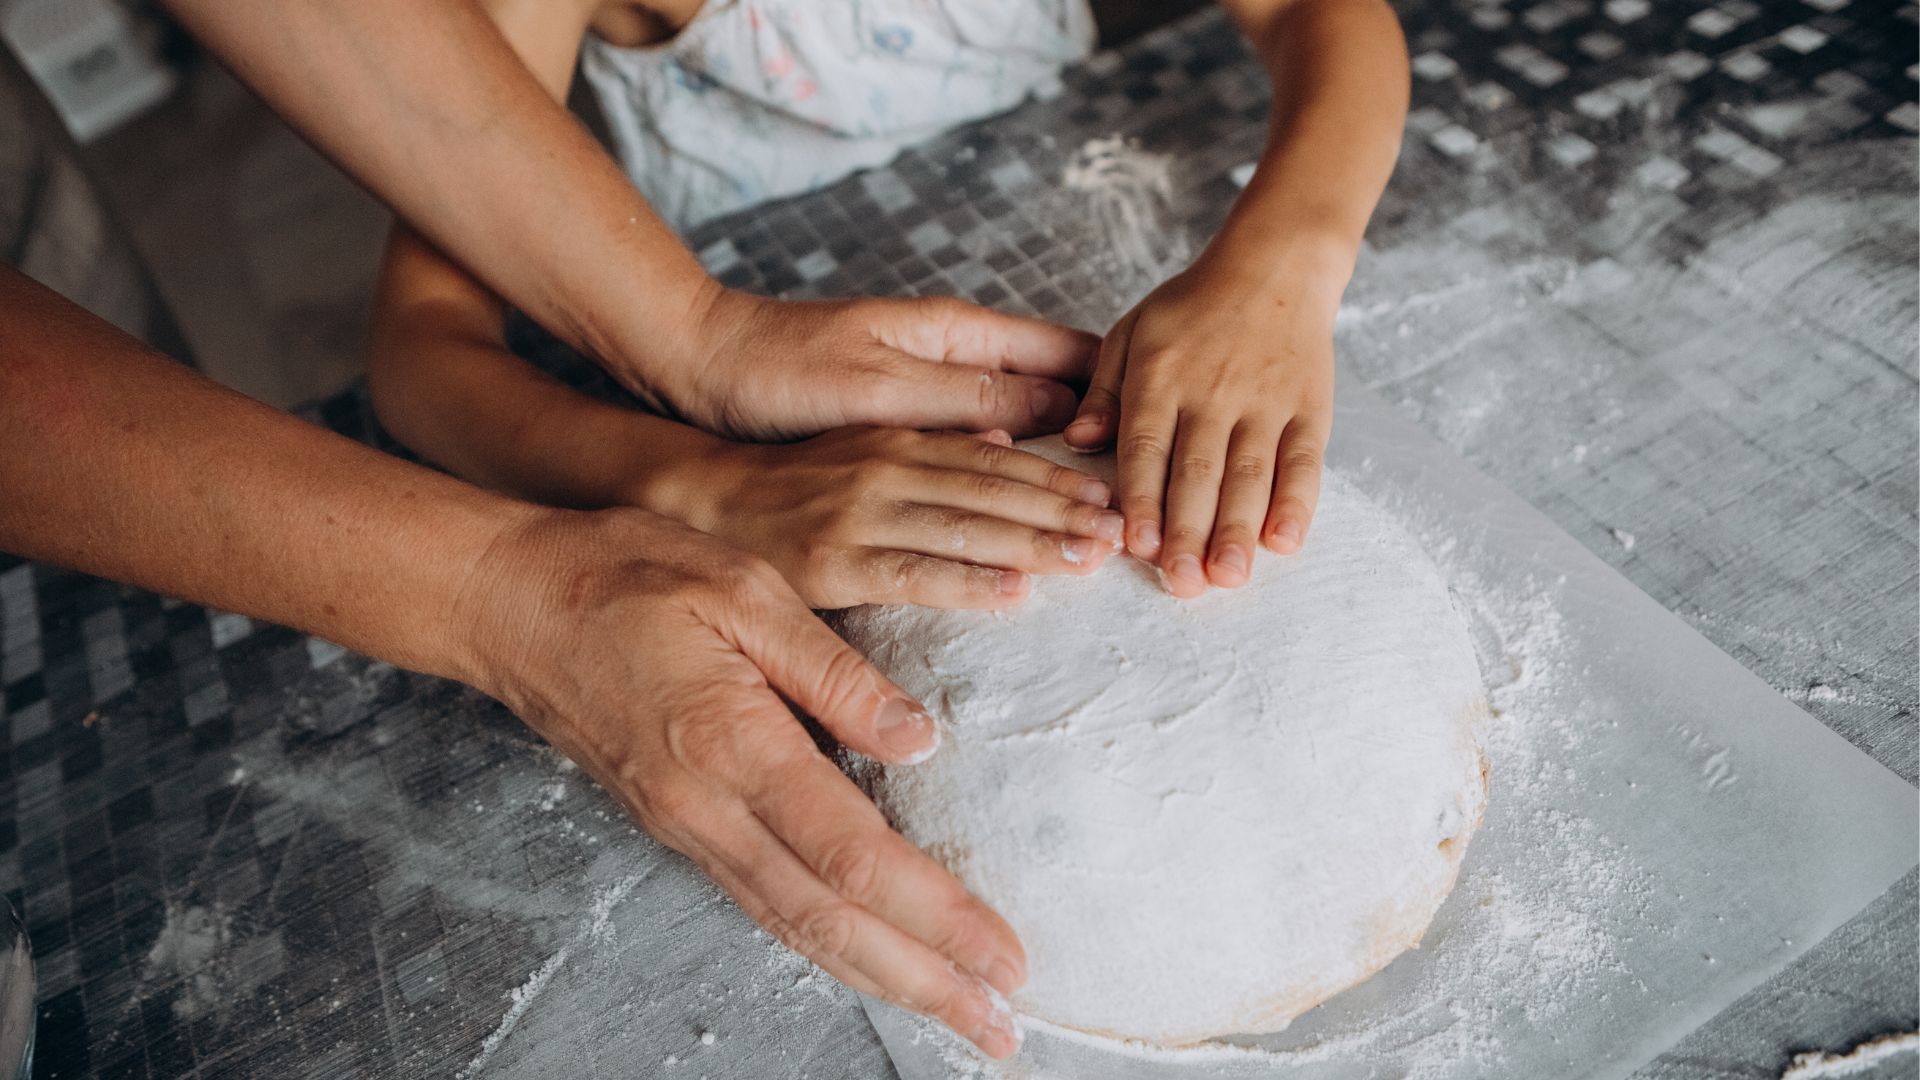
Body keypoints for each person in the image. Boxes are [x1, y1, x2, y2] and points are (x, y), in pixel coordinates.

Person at [366, 0, 1410, 605]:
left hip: (1058, 212)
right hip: (785, 374)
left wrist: (1284, 267)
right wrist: (698, 483)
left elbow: (1323, 15)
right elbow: (423, 350)